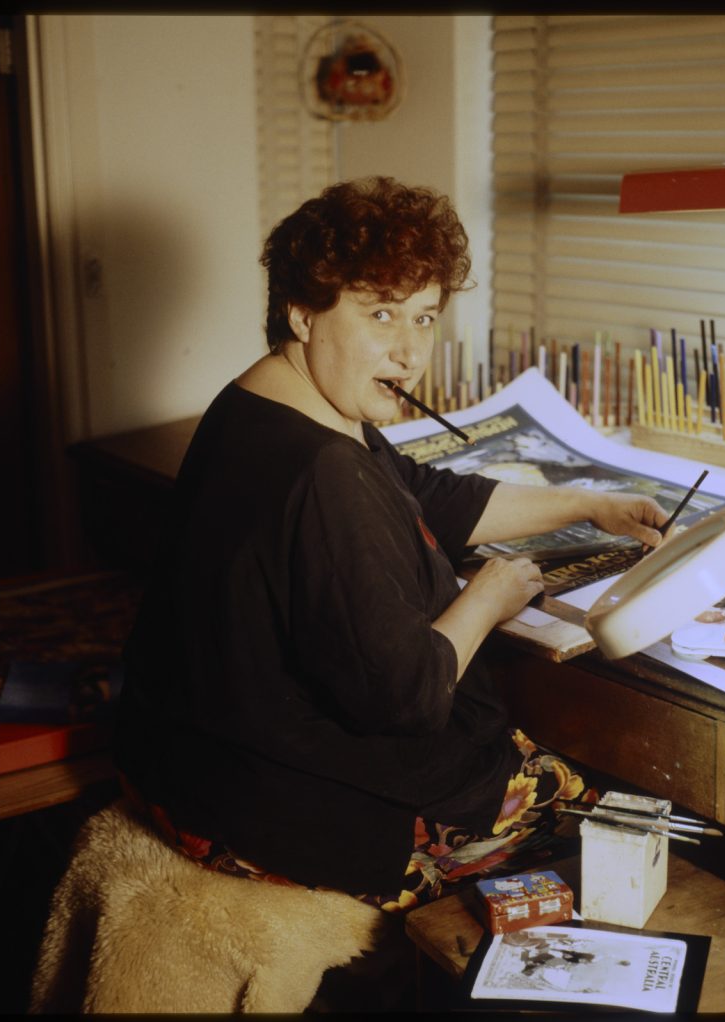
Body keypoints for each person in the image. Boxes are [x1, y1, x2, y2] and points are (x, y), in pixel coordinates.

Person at [114, 176, 667, 913]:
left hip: (191, 764)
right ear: (302, 313)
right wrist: (485, 597)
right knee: (601, 810)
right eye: (380, 314)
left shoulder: (264, 400)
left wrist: (590, 504)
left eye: (425, 318)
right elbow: (405, 697)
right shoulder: (322, 472)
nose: (409, 353)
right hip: (281, 815)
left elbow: (424, 492)